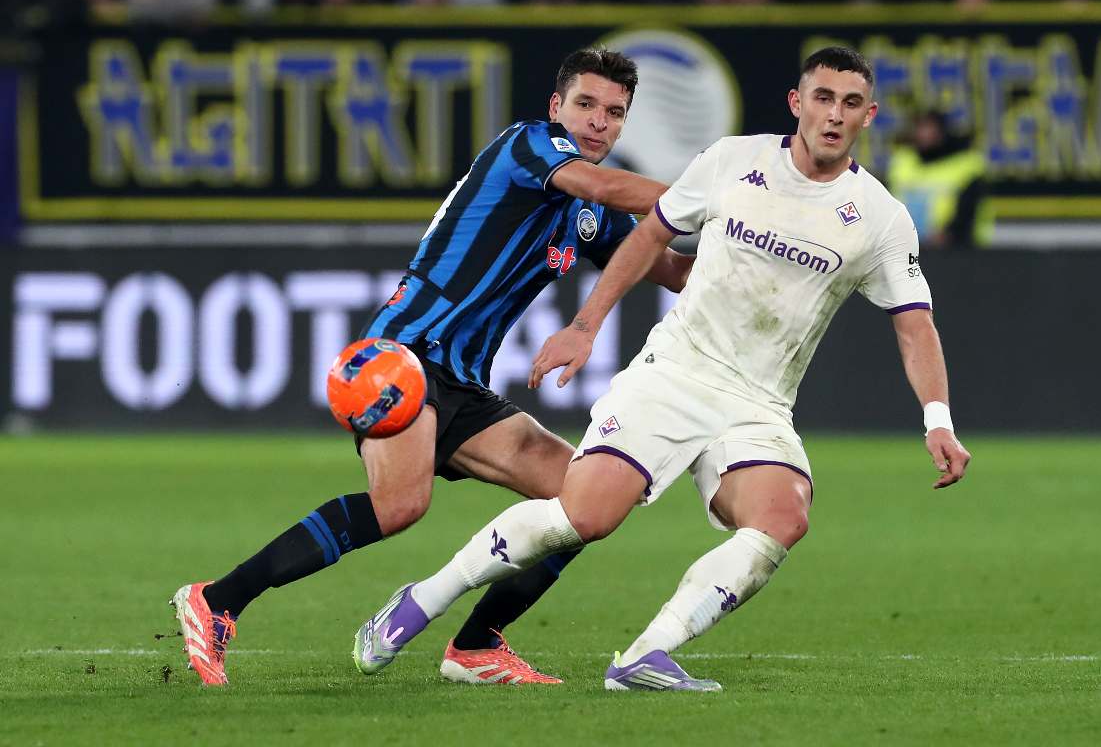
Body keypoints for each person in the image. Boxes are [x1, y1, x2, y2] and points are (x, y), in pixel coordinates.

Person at [355, 46, 971, 691]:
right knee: (583, 517)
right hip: (672, 374)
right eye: (822, 97)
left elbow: (914, 322)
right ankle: (422, 600)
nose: (834, 115)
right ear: (797, 103)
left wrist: (937, 419)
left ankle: (644, 655)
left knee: (783, 518)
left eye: (850, 104)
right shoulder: (733, 161)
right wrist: (585, 327)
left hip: (759, 401)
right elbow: (650, 235)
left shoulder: (880, 218)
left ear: (868, 116)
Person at [172, 48, 695, 687]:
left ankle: (476, 646)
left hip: (464, 382)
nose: (598, 122)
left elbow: (669, 269)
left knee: (585, 498)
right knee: (400, 504)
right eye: (585, 104)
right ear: (557, 106)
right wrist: (711, 195)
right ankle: (218, 600)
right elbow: (605, 184)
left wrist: (752, 244)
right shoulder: (528, 147)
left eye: (614, 113)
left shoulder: (591, 217)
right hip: (404, 355)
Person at [887, 110, 988, 247]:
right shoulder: (902, 161)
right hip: (904, 248)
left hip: (955, 249)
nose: (923, 134)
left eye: (929, 128)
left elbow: (969, 211)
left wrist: (949, 234)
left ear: (942, 131)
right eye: (920, 127)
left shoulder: (967, 165)